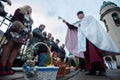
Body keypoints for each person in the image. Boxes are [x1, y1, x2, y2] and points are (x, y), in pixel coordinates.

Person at [62, 11, 120, 76]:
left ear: (83, 14)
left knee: (95, 53)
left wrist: (91, 33)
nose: (79, 16)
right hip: (84, 41)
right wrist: (66, 22)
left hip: (92, 39)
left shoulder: (89, 18)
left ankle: (102, 70)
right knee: (88, 55)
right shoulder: (78, 23)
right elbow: (72, 26)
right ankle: (92, 70)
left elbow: (95, 26)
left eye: (80, 14)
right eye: (78, 15)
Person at [0, 5, 33, 75]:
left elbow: (30, 27)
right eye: (29, 8)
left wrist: (29, 33)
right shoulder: (20, 11)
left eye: (31, 9)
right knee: (9, 45)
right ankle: (2, 66)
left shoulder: (30, 19)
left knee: (17, 48)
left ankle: (8, 66)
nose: (30, 10)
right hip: (16, 31)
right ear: (26, 7)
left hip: (24, 34)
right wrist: (18, 26)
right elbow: (14, 19)